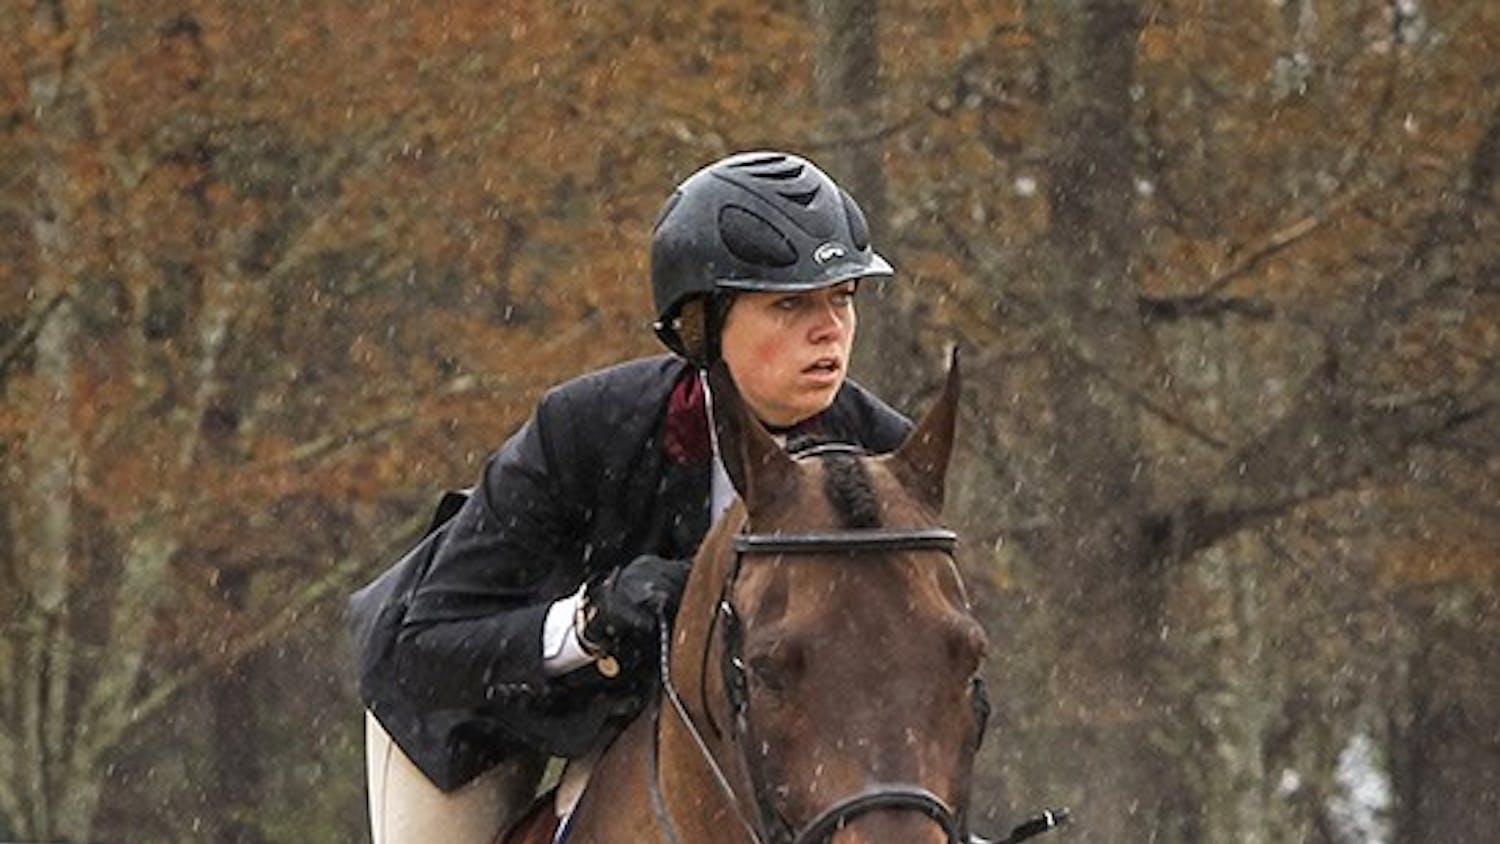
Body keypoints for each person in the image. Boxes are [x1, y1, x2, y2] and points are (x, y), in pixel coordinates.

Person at [357, 150, 913, 844]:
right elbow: (431, 648)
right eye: (791, 303)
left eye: (843, 297)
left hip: (684, 724)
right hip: (477, 708)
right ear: (701, 324)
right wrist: (592, 620)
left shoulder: (875, 453)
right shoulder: (588, 429)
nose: (831, 328)